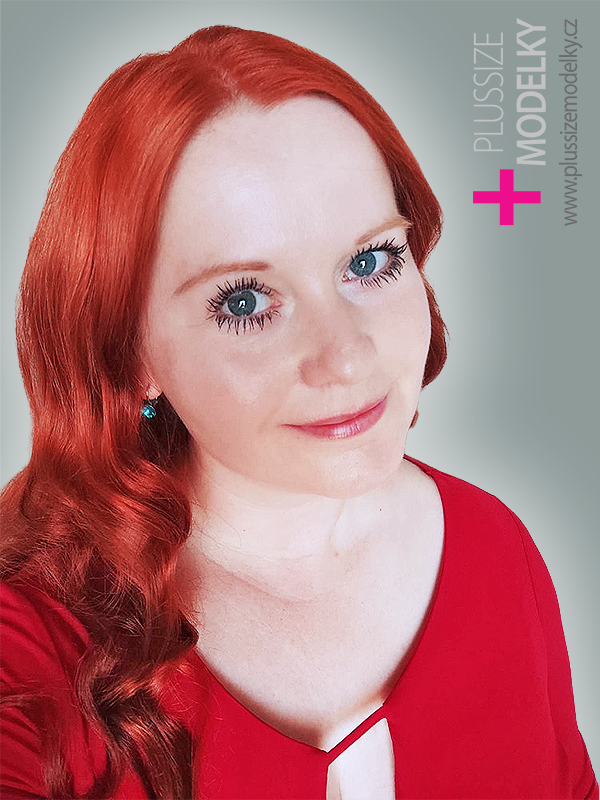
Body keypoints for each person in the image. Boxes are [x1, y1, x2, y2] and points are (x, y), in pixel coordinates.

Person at [0, 24, 596, 800]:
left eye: (372, 261)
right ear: (130, 353)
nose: (345, 357)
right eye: (246, 302)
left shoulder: (496, 549)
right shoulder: (28, 645)